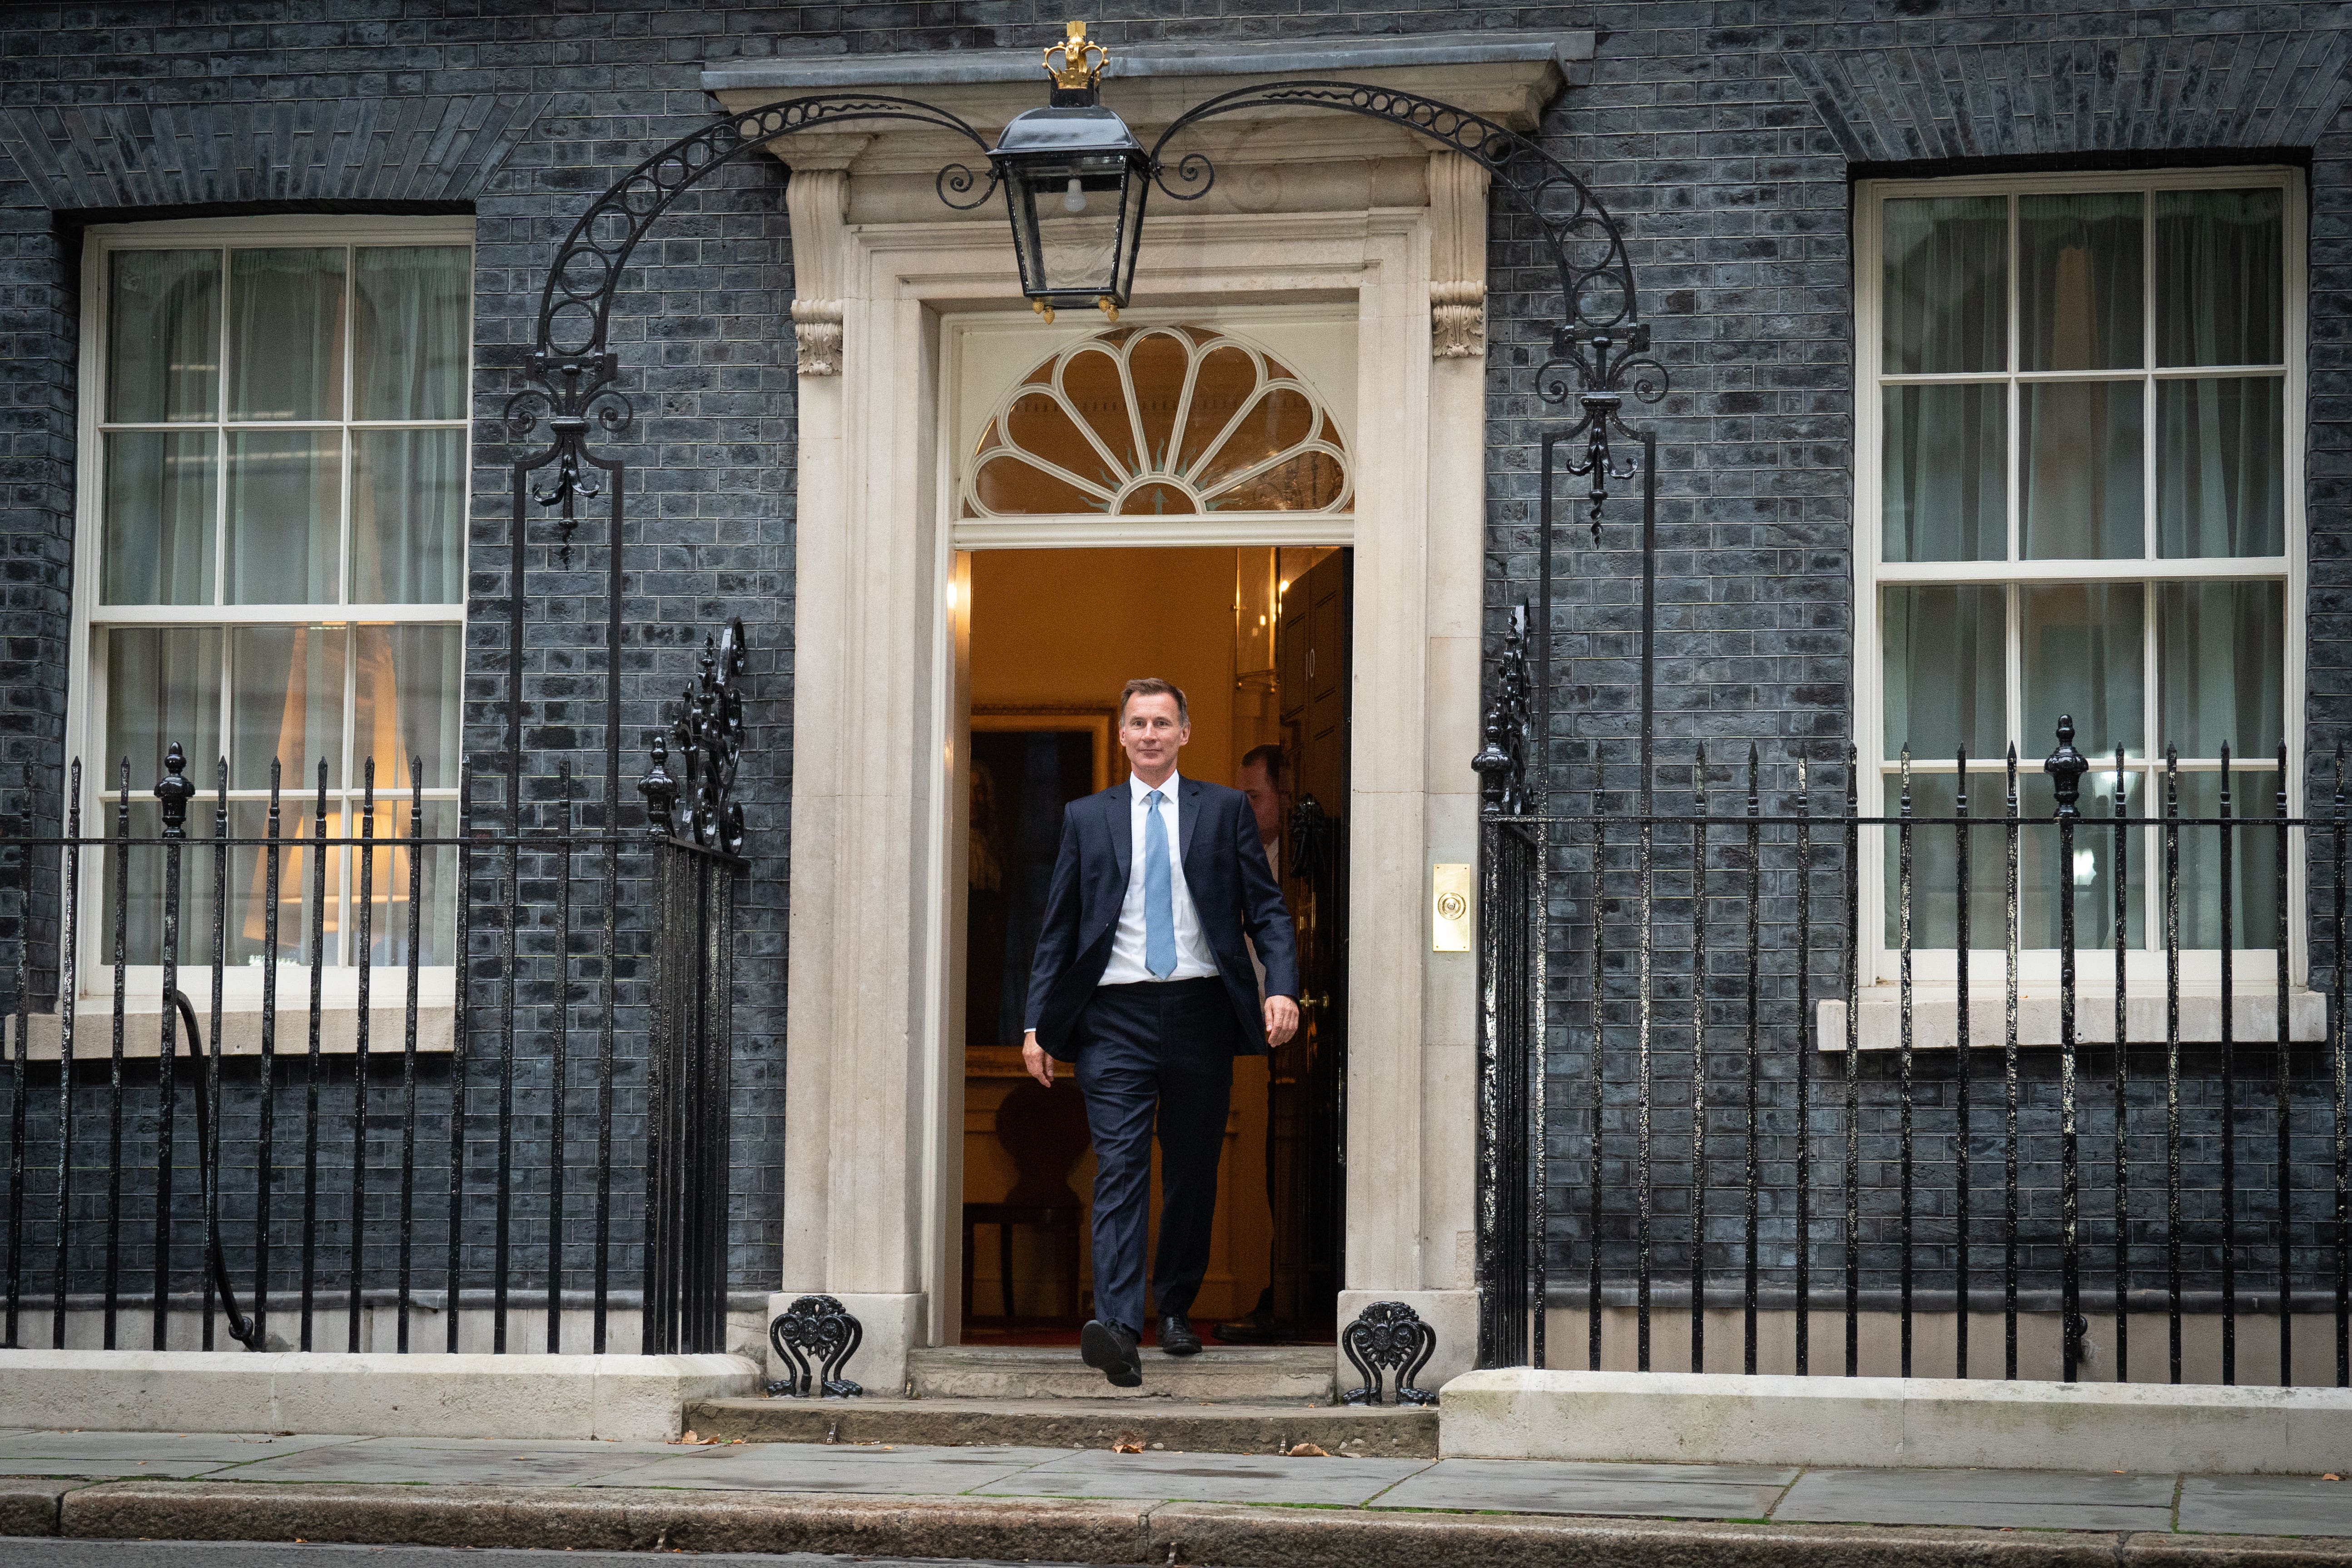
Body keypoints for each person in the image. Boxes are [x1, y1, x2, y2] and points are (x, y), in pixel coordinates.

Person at [1022, 679, 1301, 1387]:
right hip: (1112, 1017)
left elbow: (1266, 912)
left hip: (1199, 1010)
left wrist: (1282, 987)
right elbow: (1057, 929)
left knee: (1191, 1170)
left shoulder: (1226, 811)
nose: (1149, 734)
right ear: (1121, 736)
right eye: (1137, 723)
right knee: (1119, 1168)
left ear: (1184, 733)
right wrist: (1036, 1024)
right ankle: (1118, 1326)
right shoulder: (1087, 817)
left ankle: (1173, 1306)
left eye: (1162, 723)